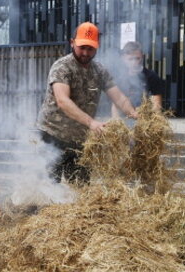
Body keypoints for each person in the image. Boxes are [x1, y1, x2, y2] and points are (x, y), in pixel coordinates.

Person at [36, 21, 139, 183]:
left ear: (97, 47)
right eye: (82, 47)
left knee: (81, 187)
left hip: (79, 140)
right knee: (49, 186)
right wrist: (91, 123)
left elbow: (119, 97)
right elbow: (63, 101)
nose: (85, 53)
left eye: (90, 48)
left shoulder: (99, 71)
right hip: (52, 136)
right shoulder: (62, 67)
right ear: (72, 43)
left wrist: (134, 114)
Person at [116, 40, 167, 112]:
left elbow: (157, 105)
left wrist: (151, 117)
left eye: (137, 58)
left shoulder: (151, 76)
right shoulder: (120, 78)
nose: (134, 62)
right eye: (130, 59)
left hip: (145, 115)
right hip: (124, 116)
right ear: (123, 58)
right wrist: (116, 118)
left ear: (142, 57)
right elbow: (116, 103)